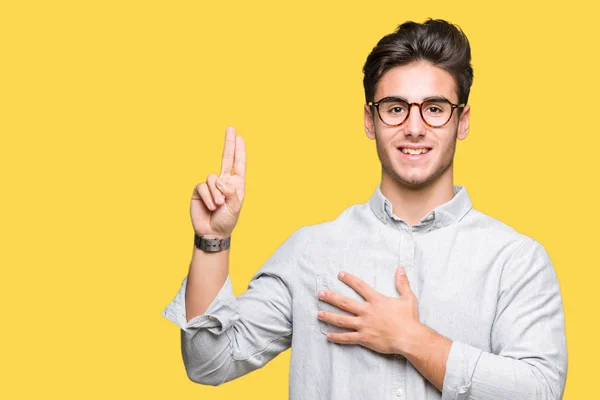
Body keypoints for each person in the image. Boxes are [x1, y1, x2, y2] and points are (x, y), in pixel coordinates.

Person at [162, 18, 568, 399]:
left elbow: (541, 389)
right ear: (370, 121)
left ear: (461, 121)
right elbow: (208, 362)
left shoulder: (515, 260)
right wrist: (212, 240)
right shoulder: (311, 251)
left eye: (434, 108)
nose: (414, 126)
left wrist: (412, 339)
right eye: (395, 108)